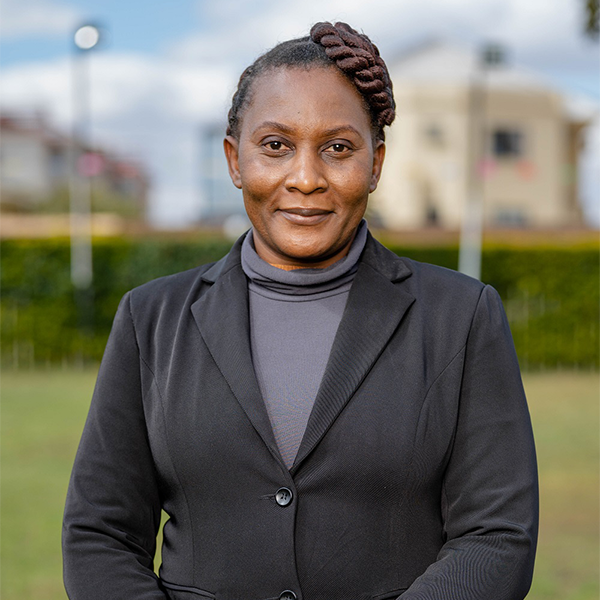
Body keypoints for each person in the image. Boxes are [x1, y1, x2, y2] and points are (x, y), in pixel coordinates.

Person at [63, 22, 538, 600]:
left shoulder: (461, 316)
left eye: (337, 148)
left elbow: (496, 535)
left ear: (375, 164)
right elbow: (100, 534)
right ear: (235, 160)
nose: (306, 178)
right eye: (275, 146)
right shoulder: (151, 319)